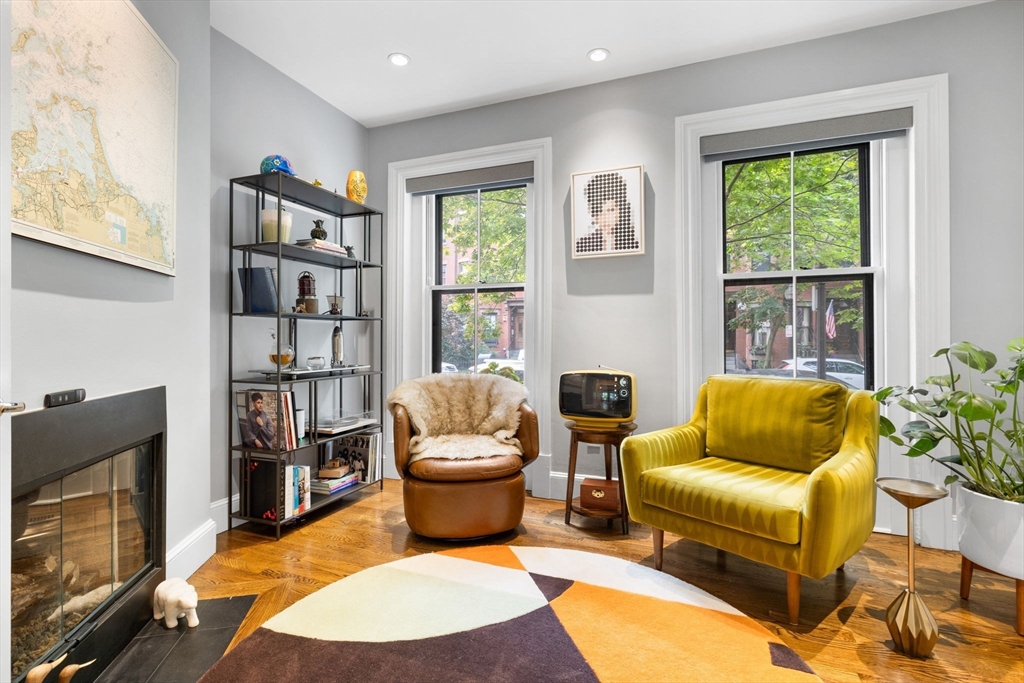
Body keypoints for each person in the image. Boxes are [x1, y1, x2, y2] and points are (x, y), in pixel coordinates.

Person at [575, 172, 640, 255]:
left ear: (620, 210)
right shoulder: (584, 245)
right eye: (600, 212)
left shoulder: (631, 243)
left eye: (610, 210)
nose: (605, 218)